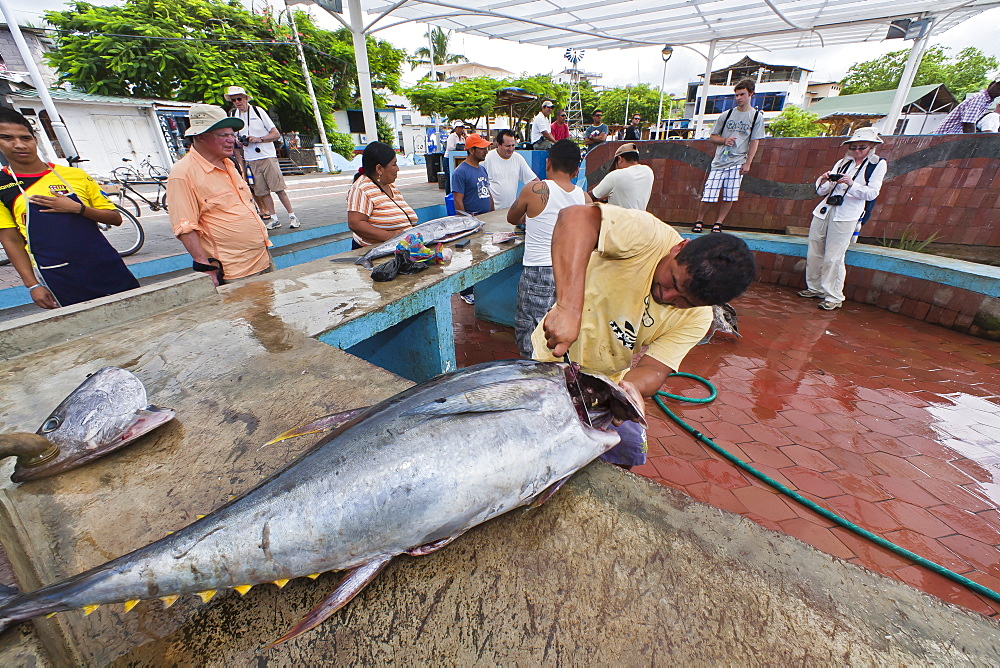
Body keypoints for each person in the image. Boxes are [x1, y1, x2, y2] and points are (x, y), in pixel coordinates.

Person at [534, 203, 755, 469]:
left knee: (628, 451)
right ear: (679, 248)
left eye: (686, 301)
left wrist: (628, 390)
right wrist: (568, 307)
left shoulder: (698, 318)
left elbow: (654, 368)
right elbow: (575, 217)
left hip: (609, 381)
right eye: (673, 282)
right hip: (550, 361)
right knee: (540, 447)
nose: (668, 297)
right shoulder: (648, 236)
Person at [0, 108, 139, 309]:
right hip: (58, 272)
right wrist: (32, 285)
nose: (19, 145)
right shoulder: (2, 184)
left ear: (35, 140)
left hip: (104, 263)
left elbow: (115, 218)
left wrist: (78, 209)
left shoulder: (75, 176)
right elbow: (10, 239)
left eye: (25, 138)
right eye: (7, 138)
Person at [167, 104, 273, 285]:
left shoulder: (230, 164)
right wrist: (204, 268)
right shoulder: (183, 173)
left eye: (233, 135)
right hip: (234, 272)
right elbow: (185, 226)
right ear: (200, 136)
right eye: (224, 135)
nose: (231, 140)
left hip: (262, 259)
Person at [507, 139, 591, 357]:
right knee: (561, 330)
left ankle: (532, 379)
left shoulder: (535, 190)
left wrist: (532, 215)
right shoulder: (585, 198)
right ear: (576, 170)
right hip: (572, 274)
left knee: (530, 333)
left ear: (548, 163)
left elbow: (512, 217)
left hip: (539, 271)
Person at [798, 127, 887, 312]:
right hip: (825, 210)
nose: (857, 151)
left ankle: (833, 296)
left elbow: (872, 193)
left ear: (871, 147)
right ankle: (814, 287)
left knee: (834, 257)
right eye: (853, 147)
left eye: (862, 147)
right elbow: (821, 191)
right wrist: (824, 180)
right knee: (815, 251)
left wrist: (851, 183)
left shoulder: (877, 165)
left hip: (847, 214)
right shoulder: (842, 163)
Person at [691, 79, 765, 234]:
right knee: (709, 192)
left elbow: (754, 141)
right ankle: (700, 220)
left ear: (750, 94)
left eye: (742, 94)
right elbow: (712, 137)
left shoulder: (756, 116)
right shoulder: (727, 114)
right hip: (720, 161)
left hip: (738, 161)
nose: (739, 98)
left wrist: (748, 163)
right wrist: (725, 140)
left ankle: (718, 223)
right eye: (736, 95)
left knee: (730, 194)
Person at [224, 86, 298, 230]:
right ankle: (274, 218)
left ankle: (292, 216)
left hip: (267, 156)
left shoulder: (258, 111)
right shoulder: (234, 115)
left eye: (239, 98)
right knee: (262, 192)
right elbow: (234, 138)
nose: (237, 102)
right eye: (234, 100)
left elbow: (275, 134)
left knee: (279, 189)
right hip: (251, 159)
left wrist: (259, 139)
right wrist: (238, 142)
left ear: (246, 98)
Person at [346, 141, 417, 249]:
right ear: (379, 168)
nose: (397, 169)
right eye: (394, 164)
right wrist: (389, 236)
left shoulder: (390, 187)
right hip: (374, 252)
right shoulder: (362, 188)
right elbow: (355, 223)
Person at [589, 142, 654, 210]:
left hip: (619, 219)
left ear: (620, 159)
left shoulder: (615, 175)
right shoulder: (648, 172)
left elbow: (592, 196)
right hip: (639, 218)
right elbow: (630, 192)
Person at [483, 129, 538, 209]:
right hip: (491, 212)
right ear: (498, 144)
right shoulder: (488, 158)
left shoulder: (518, 158)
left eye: (513, 145)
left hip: (509, 211)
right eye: (508, 146)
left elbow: (534, 180)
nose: (511, 149)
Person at [934, 73, 1000, 134]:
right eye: (999, 86)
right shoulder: (979, 98)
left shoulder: (987, 101)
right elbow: (969, 125)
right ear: (991, 84)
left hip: (952, 137)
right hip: (945, 137)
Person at [451, 133, 493, 216]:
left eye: (486, 148)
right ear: (471, 150)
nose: (486, 152)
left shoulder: (482, 169)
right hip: (473, 220)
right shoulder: (460, 172)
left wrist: (492, 213)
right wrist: (466, 221)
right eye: (482, 149)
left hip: (487, 218)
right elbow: (457, 200)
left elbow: (488, 193)